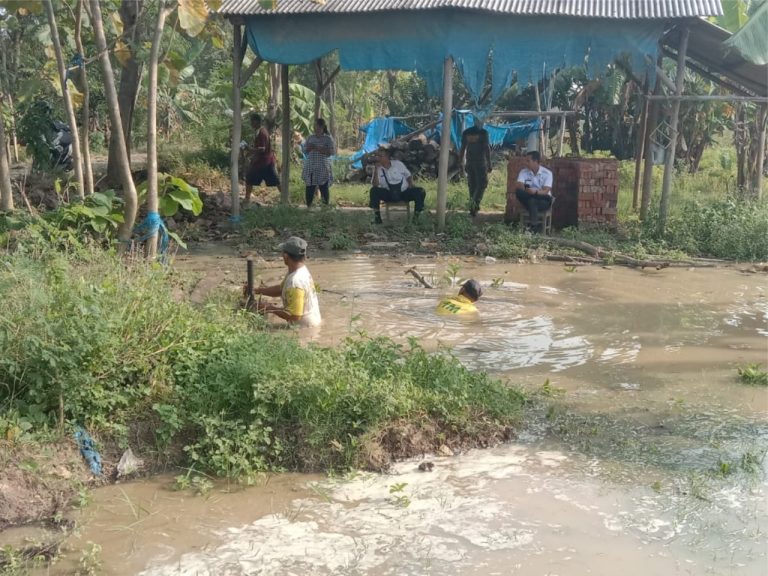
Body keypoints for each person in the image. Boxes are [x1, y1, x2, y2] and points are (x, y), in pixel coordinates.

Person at [244, 236, 322, 327]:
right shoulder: (299, 270)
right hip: (311, 323)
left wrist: (269, 308)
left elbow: (295, 315)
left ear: (286, 256)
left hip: (305, 329)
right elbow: (282, 289)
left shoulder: (296, 281)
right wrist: (256, 290)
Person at [369, 148, 426, 224]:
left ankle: (416, 219)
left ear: (387, 156)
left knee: (420, 191)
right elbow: (375, 184)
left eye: (380, 156)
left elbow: (408, 175)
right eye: (377, 156)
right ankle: (377, 219)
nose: (378, 158)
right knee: (373, 191)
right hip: (388, 194)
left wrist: (411, 184)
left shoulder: (398, 164)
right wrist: (375, 170)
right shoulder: (378, 169)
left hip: (403, 193)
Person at [244, 112, 280, 205]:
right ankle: (286, 198)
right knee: (275, 180)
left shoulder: (262, 132)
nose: (251, 124)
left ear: (256, 121)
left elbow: (262, 149)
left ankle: (247, 200)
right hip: (265, 161)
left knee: (250, 178)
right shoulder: (260, 131)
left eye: (252, 122)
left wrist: (250, 149)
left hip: (264, 162)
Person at [460, 117, 492, 217]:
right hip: (480, 163)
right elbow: (486, 148)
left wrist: (460, 162)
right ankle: (473, 205)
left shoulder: (466, 132)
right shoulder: (483, 133)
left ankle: (473, 205)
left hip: (469, 162)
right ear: (479, 121)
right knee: (482, 184)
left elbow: (462, 148)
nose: (482, 123)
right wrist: (489, 163)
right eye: (481, 121)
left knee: (472, 184)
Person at [515, 150, 553, 233]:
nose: (526, 163)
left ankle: (533, 227)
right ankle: (534, 227)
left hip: (543, 199)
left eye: (528, 161)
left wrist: (535, 192)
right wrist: (527, 190)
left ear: (536, 161)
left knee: (533, 201)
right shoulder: (523, 172)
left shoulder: (547, 173)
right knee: (519, 192)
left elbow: (546, 191)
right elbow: (519, 184)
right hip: (529, 196)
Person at [302, 118, 336, 208]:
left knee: (323, 187)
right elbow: (304, 149)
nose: (315, 127)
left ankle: (325, 207)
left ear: (321, 127)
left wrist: (320, 149)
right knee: (310, 187)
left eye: (317, 125)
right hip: (311, 165)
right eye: (315, 126)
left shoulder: (327, 139)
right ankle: (309, 206)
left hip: (323, 166)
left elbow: (332, 152)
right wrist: (309, 148)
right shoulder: (310, 137)